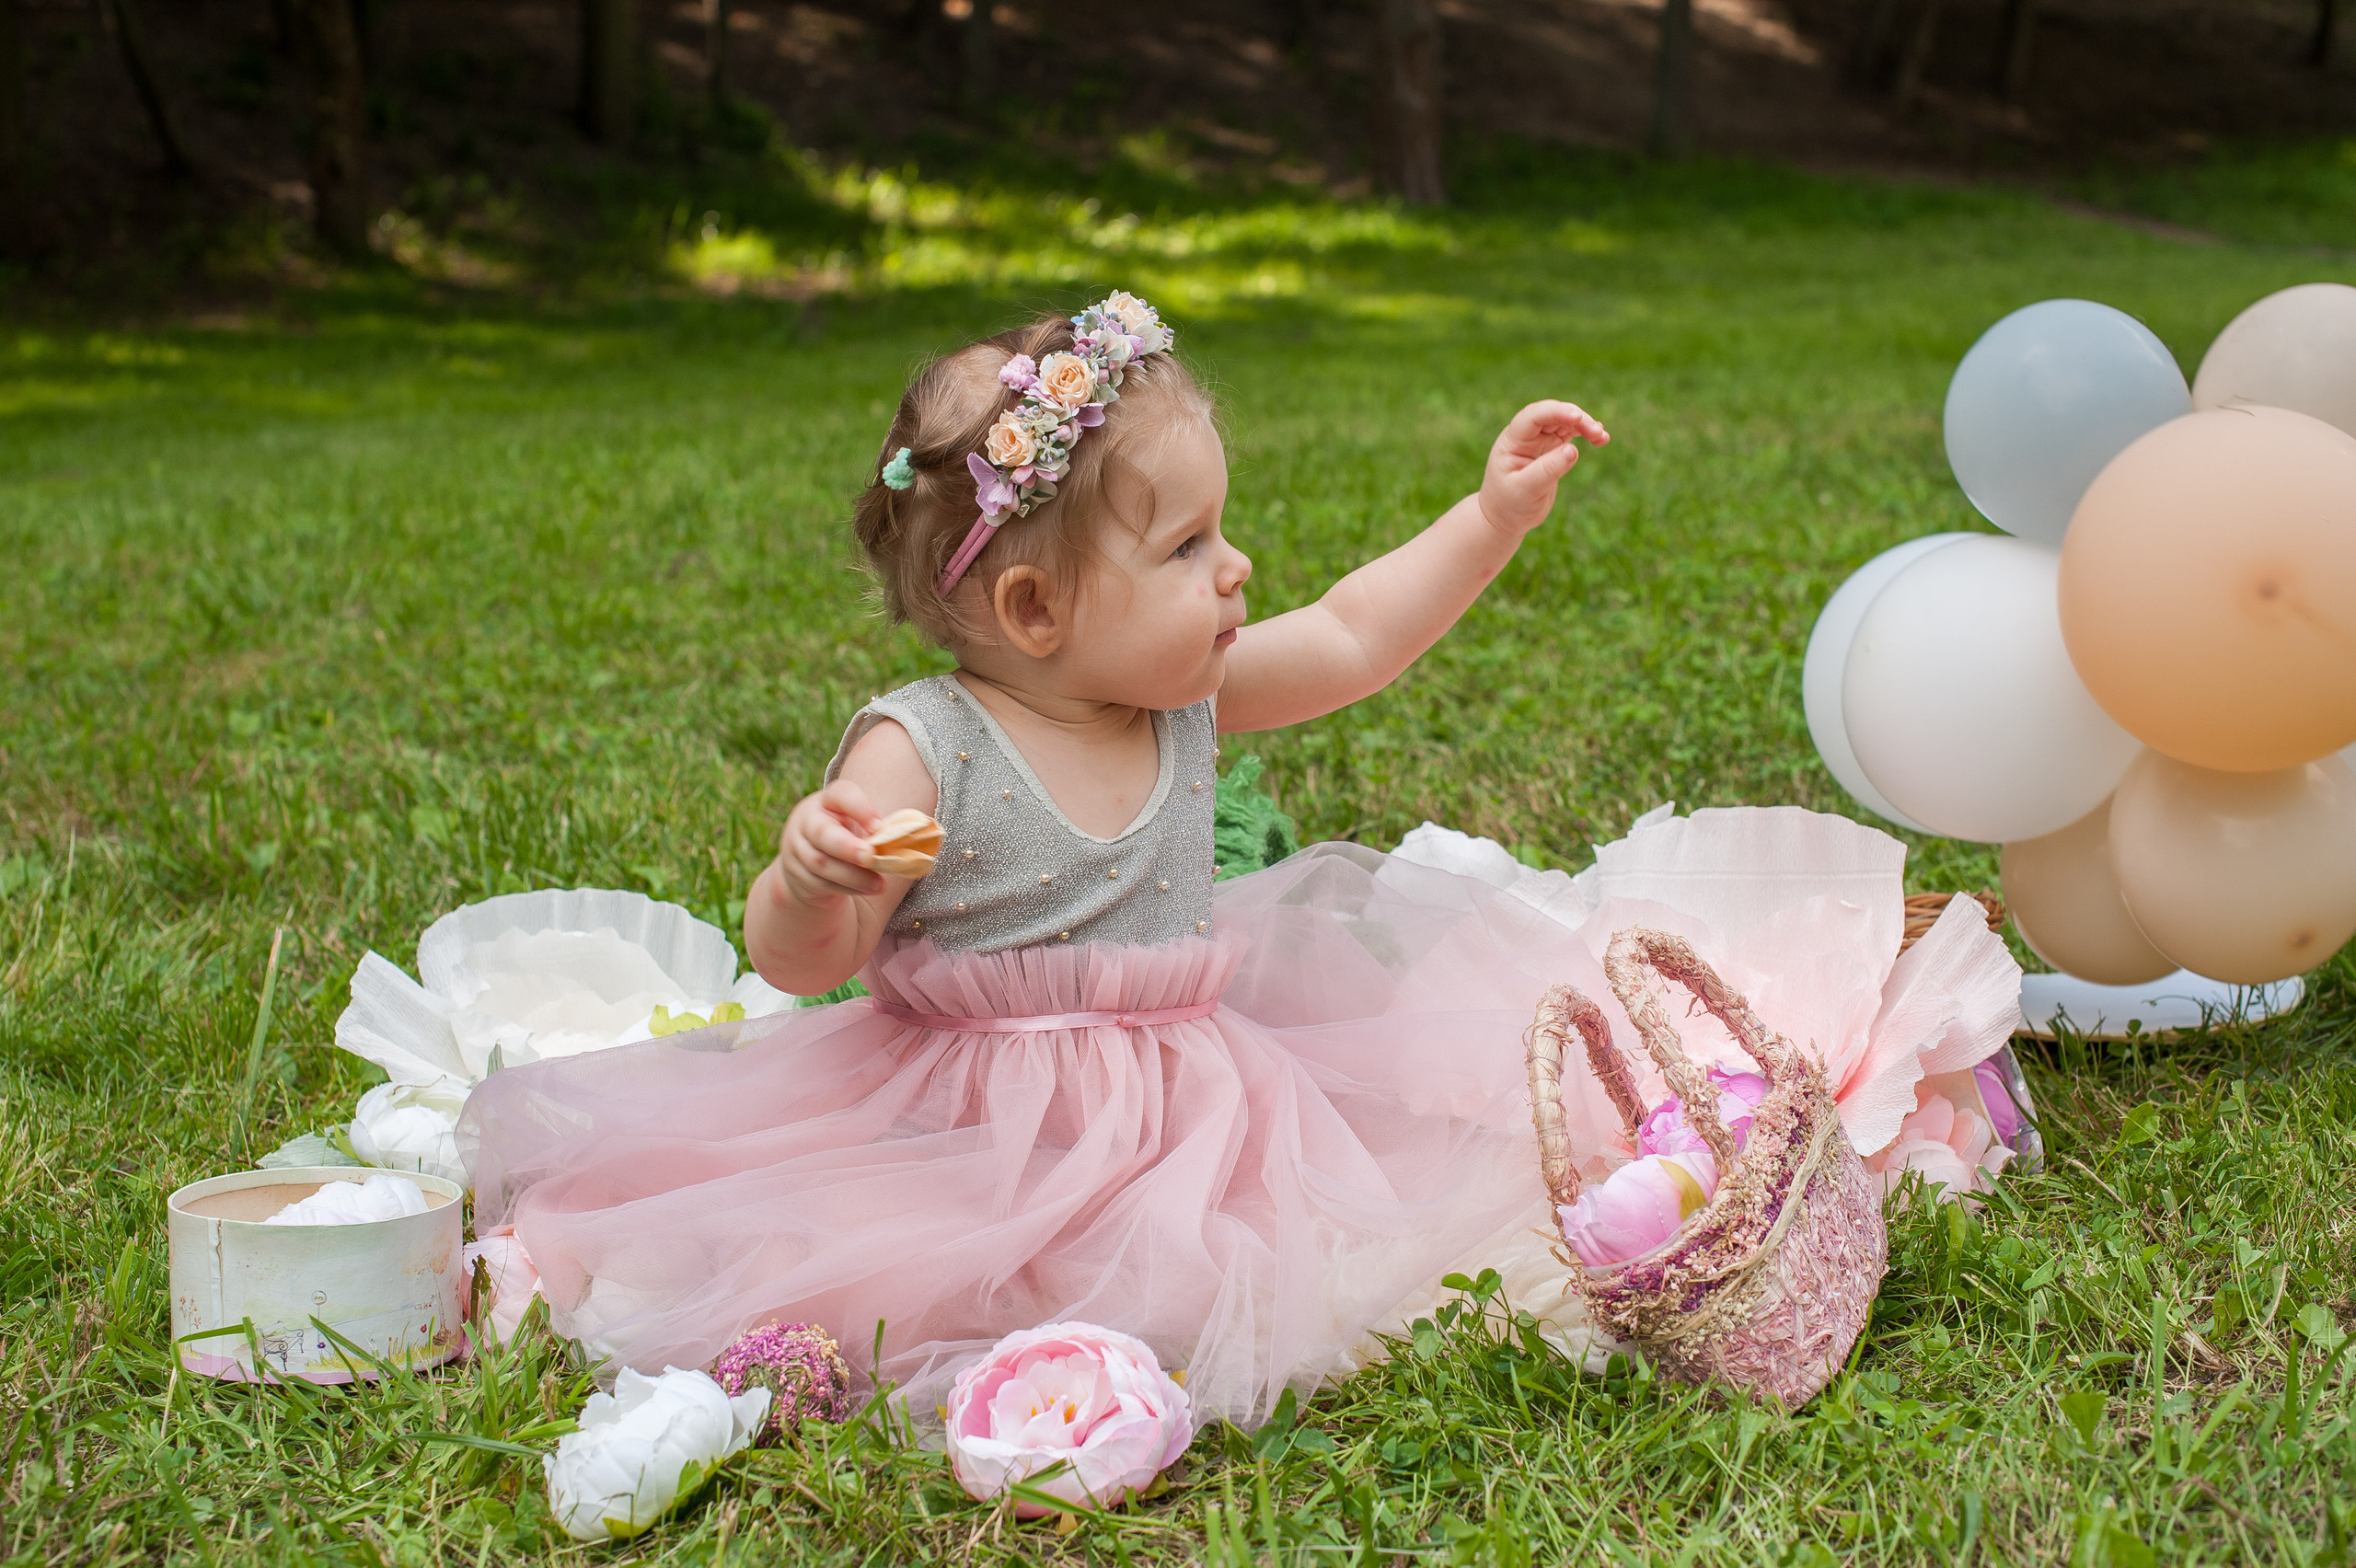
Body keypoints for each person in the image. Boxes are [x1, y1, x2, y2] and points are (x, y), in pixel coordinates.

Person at [462, 292, 1611, 1428]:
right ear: (1034, 608)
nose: (1236, 568)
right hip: (966, 1131)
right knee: (887, 1272)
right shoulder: (922, 750)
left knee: (1335, 1239)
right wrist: (808, 884)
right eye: (1186, 547)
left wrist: (1489, 516)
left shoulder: (1184, 698)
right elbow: (811, 962)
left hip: (1194, 1116)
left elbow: (1357, 634)